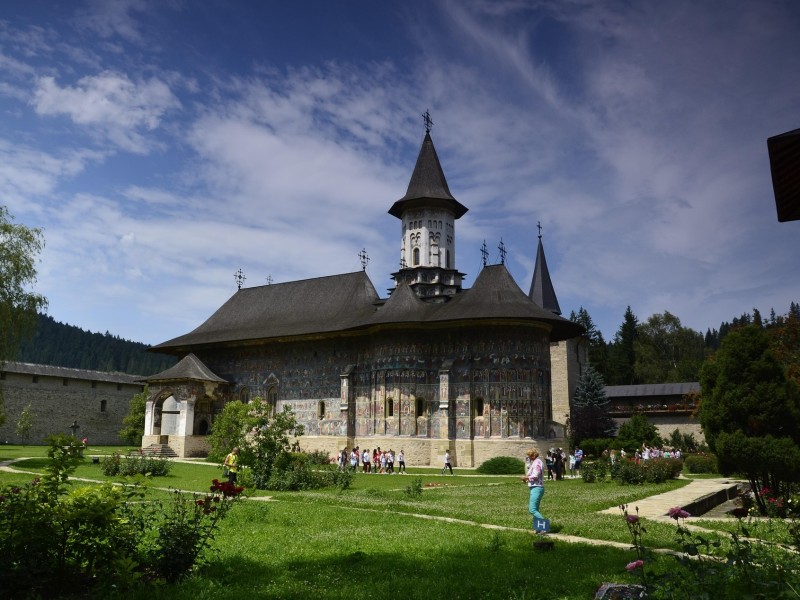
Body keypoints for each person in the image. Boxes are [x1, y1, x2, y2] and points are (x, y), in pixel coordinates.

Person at [522, 447, 545, 530]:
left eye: (530, 456)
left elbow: (535, 476)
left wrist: (525, 478)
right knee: (536, 510)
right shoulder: (535, 462)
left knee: (532, 509)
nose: (529, 457)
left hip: (537, 487)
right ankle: (538, 528)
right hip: (536, 487)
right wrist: (526, 479)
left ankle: (544, 527)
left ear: (533, 455)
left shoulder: (537, 462)